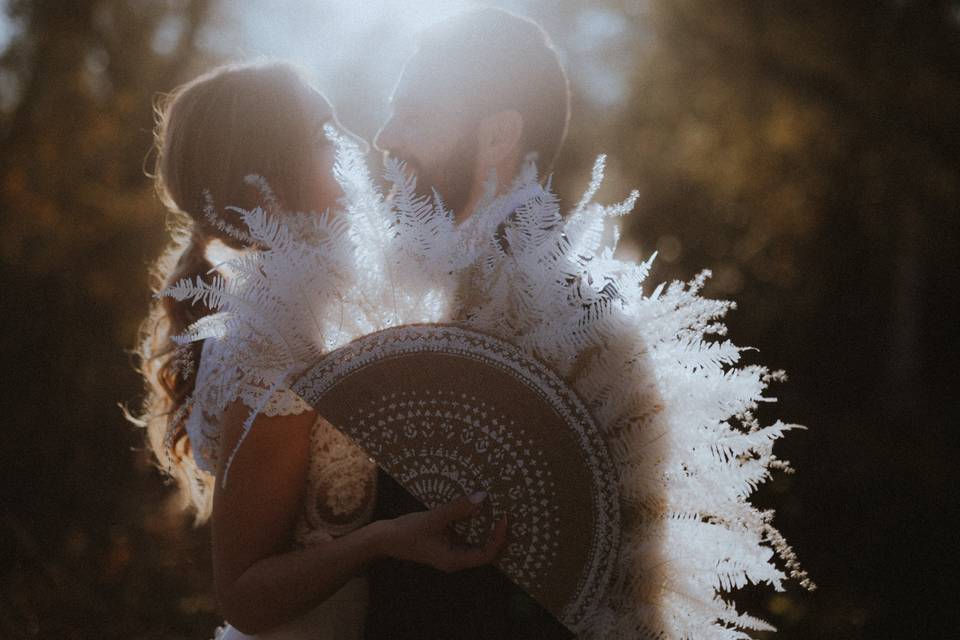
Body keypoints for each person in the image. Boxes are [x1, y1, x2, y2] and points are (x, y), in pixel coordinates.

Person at [134, 61, 507, 640]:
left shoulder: (330, 303)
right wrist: (382, 541)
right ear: (267, 180)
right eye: (322, 135)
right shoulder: (272, 339)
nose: (354, 146)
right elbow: (244, 597)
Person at [366, 8, 577, 639]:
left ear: (497, 135)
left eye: (415, 114)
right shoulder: (399, 291)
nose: (382, 137)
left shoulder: (564, 321)